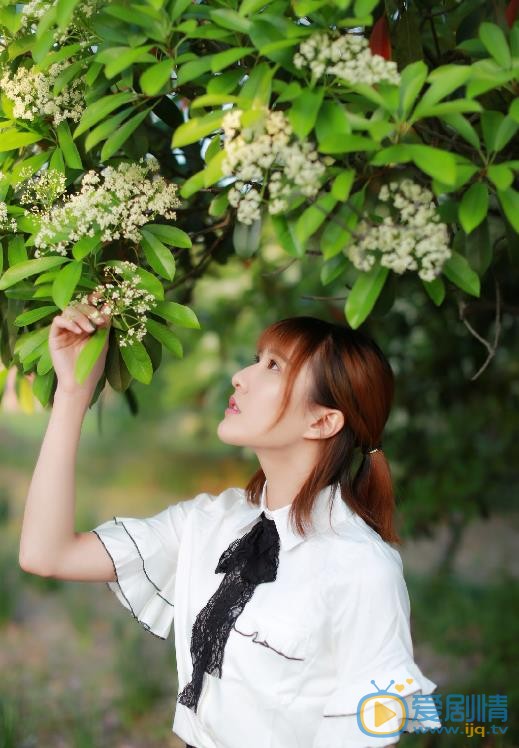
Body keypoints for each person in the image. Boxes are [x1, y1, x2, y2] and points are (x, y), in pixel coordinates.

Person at [19, 304, 441, 748]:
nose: (241, 375)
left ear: (323, 420)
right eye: (258, 359)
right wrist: (72, 393)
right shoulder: (212, 522)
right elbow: (45, 554)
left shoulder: (360, 566)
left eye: (274, 366)